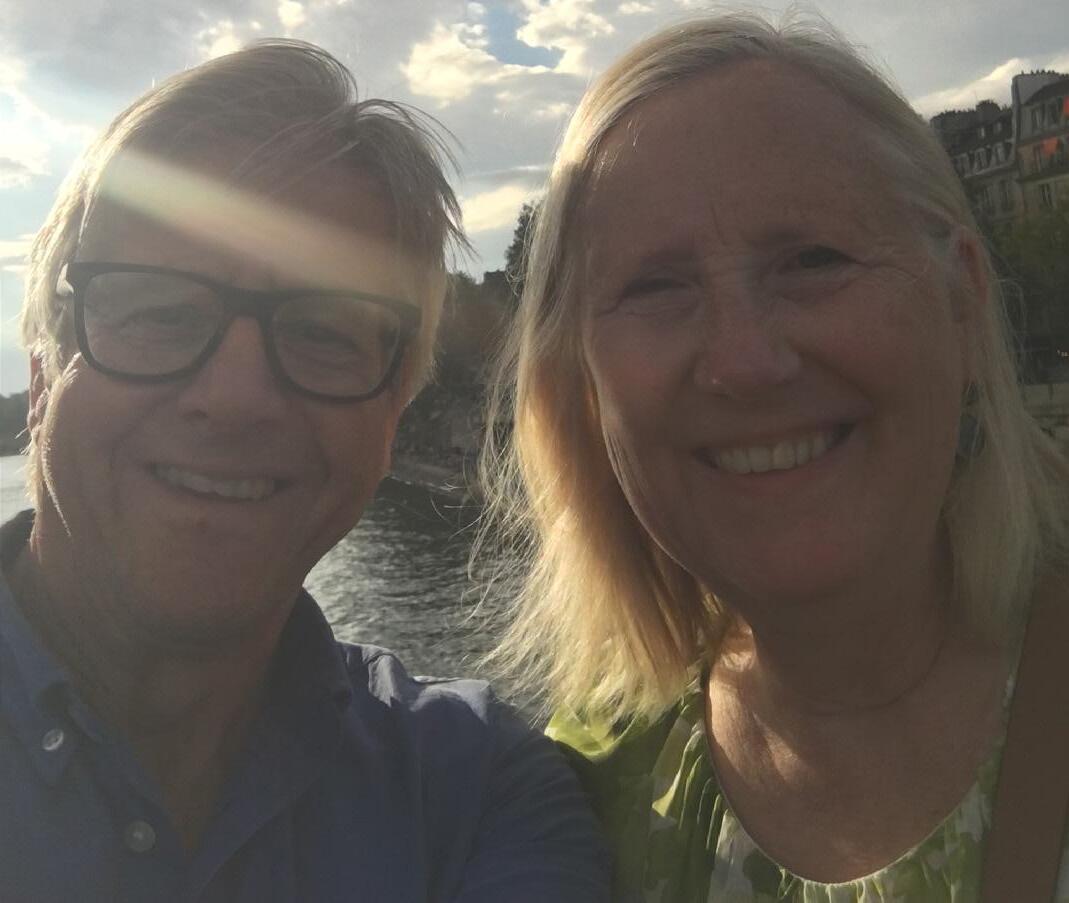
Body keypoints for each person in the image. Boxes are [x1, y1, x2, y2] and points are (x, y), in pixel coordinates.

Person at [479, 12, 1069, 902]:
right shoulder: (571, 794)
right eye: (656, 286)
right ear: (582, 383)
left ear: (961, 293)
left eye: (811, 259)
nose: (745, 360)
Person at [2, 40, 608, 902]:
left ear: (393, 412)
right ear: (41, 378)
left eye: (324, 331)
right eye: (161, 311)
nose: (236, 397)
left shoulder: (475, 791)